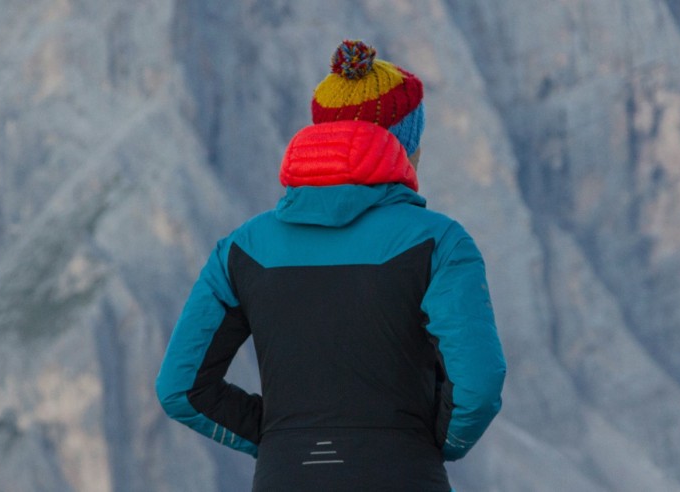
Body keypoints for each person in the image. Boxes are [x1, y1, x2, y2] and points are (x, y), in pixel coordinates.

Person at [156, 40, 506, 492]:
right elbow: (477, 386)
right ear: (403, 144)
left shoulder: (241, 248)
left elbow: (180, 388)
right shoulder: (439, 242)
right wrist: (430, 441)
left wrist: (280, 435)